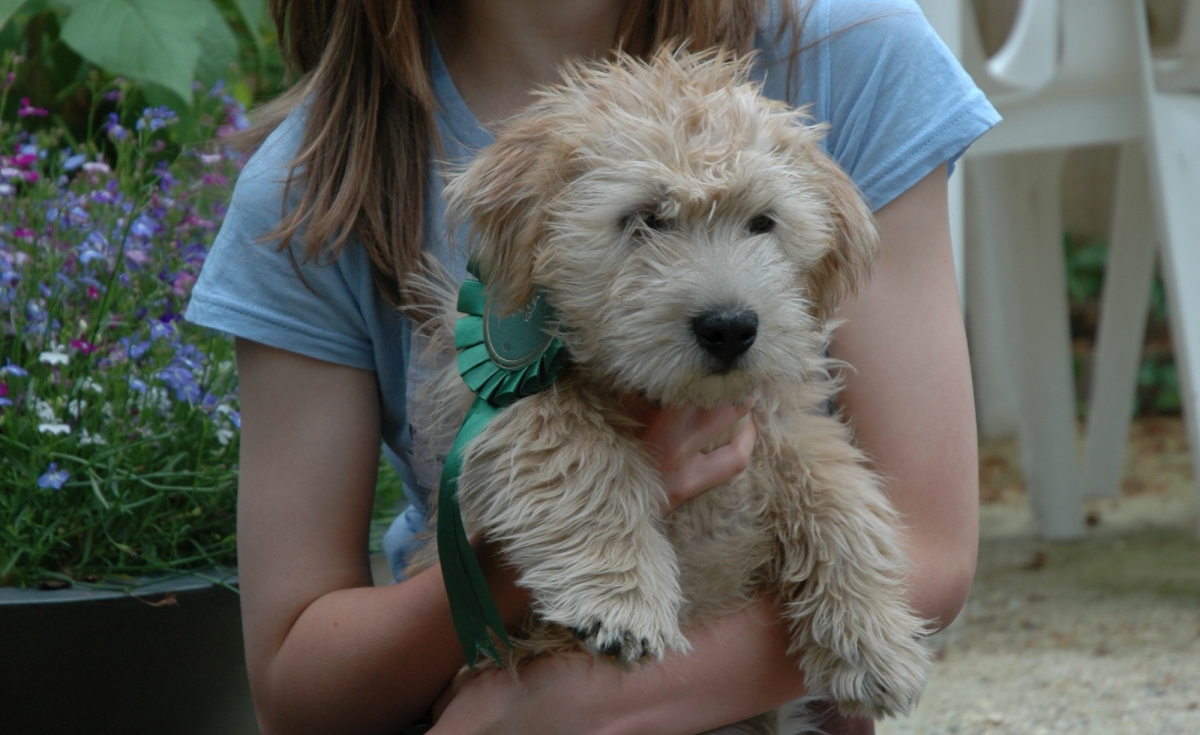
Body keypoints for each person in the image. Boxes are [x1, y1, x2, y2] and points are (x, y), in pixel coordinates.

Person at [185, 0, 997, 733]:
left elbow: (927, 556)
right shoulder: (309, 187)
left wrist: (583, 706)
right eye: (644, 224)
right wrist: (503, 574)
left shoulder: (849, 51)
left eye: (757, 225)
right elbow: (296, 688)